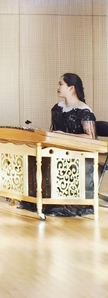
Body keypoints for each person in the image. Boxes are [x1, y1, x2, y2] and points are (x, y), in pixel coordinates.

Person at [20, 73, 96, 217]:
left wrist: (64, 135)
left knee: (48, 159)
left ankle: (56, 201)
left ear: (72, 88)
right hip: (58, 148)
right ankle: (36, 198)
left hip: (77, 153)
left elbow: (91, 138)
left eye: (61, 84)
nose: (58, 87)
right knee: (32, 156)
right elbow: (54, 131)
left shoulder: (84, 110)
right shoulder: (57, 108)